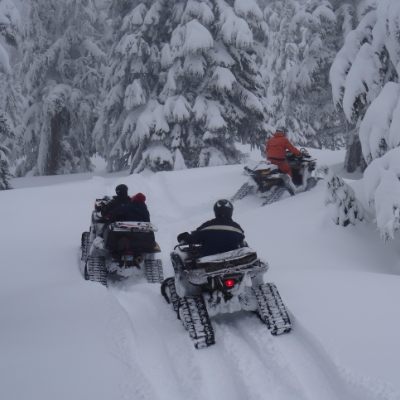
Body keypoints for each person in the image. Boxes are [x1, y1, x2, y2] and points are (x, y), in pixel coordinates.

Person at [178, 199, 245, 257]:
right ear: (231, 211)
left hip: (209, 262)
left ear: (215, 211)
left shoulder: (207, 226)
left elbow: (192, 239)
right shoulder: (237, 228)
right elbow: (241, 238)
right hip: (233, 260)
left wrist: (184, 237)